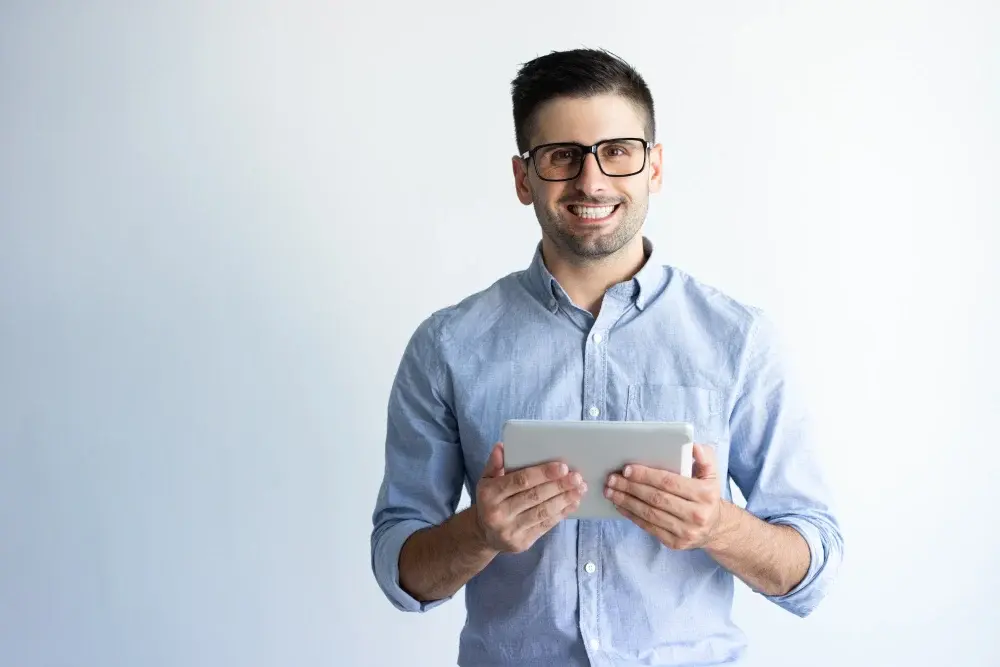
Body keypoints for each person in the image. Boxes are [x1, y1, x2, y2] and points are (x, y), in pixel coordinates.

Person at [370, 48, 843, 666]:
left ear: (654, 167)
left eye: (617, 151)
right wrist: (478, 533)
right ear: (522, 178)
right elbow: (400, 572)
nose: (591, 181)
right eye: (561, 155)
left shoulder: (740, 339)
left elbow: (813, 570)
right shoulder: (447, 347)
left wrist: (718, 526)